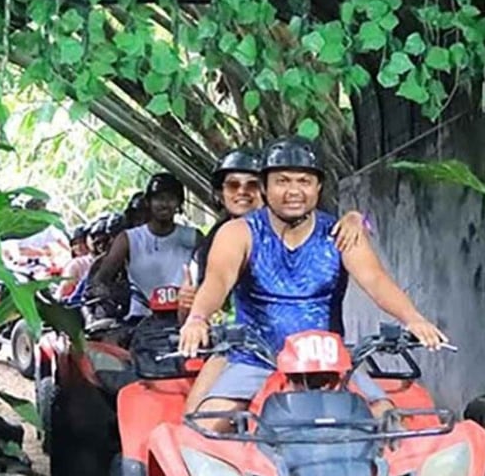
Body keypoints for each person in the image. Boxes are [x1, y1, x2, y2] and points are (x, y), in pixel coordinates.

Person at [179, 137, 445, 429]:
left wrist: (413, 319)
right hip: (256, 360)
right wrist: (197, 318)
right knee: (205, 429)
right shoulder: (239, 232)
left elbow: (376, 280)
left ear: (318, 187)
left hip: (332, 365)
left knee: (390, 424)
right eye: (282, 181)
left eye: (304, 181)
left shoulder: (340, 233)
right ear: (265, 187)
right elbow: (218, 280)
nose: (294, 191)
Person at [178, 146, 370, 413]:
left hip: (319, 357)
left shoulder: (318, 227)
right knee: (196, 422)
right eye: (233, 186)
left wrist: (356, 217)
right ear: (220, 193)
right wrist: (193, 316)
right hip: (242, 348)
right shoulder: (213, 241)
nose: (242, 193)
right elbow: (209, 293)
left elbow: (360, 254)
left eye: (251, 186)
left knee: (387, 419)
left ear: (265, 190)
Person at [90, 173, 202, 321]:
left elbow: (212, 272)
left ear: (178, 204)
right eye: (159, 198)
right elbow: (101, 278)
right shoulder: (128, 239)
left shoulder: (193, 237)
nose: (164, 204)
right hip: (140, 320)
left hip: (185, 319)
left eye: (170, 199)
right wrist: (104, 291)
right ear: (149, 202)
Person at [57, 225, 93, 298]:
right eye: (75, 244)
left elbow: (64, 290)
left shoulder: (76, 264)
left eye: (82, 242)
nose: (79, 247)